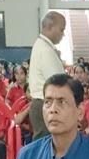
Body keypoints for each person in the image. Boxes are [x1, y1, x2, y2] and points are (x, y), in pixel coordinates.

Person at [28, 11, 66, 140]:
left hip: (45, 103)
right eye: (61, 29)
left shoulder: (43, 45)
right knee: (45, 145)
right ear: (49, 27)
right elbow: (58, 82)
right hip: (45, 104)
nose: (63, 34)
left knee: (49, 144)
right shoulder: (45, 50)